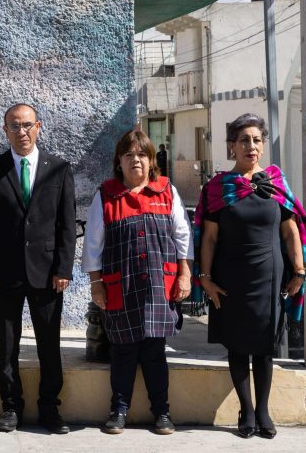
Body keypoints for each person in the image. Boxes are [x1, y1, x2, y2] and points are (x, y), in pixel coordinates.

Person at [195, 113, 306, 439]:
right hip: (230, 279)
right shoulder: (219, 188)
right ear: (232, 146)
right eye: (244, 140)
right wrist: (204, 277)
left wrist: (299, 272)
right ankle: (245, 410)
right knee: (237, 346)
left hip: (270, 280)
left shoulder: (275, 183)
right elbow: (209, 238)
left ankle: (263, 411)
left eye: (257, 140)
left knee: (264, 347)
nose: (251, 146)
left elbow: (291, 232)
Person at [81, 129, 192, 435]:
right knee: (123, 350)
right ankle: (118, 410)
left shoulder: (166, 191)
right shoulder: (106, 195)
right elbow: (93, 243)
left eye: (142, 155)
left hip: (159, 284)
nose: (136, 161)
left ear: (151, 160)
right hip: (121, 285)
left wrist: (185, 273)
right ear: (119, 161)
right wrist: (96, 283)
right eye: (129, 155)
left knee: (155, 350)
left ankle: (162, 412)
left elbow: (183, 235)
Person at [0, 103, 76, 434]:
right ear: (5, 131)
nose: (22, 132)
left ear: (39, 127)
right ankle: (10, 407)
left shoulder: (59, 169)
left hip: (48, 274)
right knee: (7, 344)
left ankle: (50, 408)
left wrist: (63, 268)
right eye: (15, 126)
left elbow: (66, 224)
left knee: (49, 344)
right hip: (4, 273)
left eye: (28, 125)